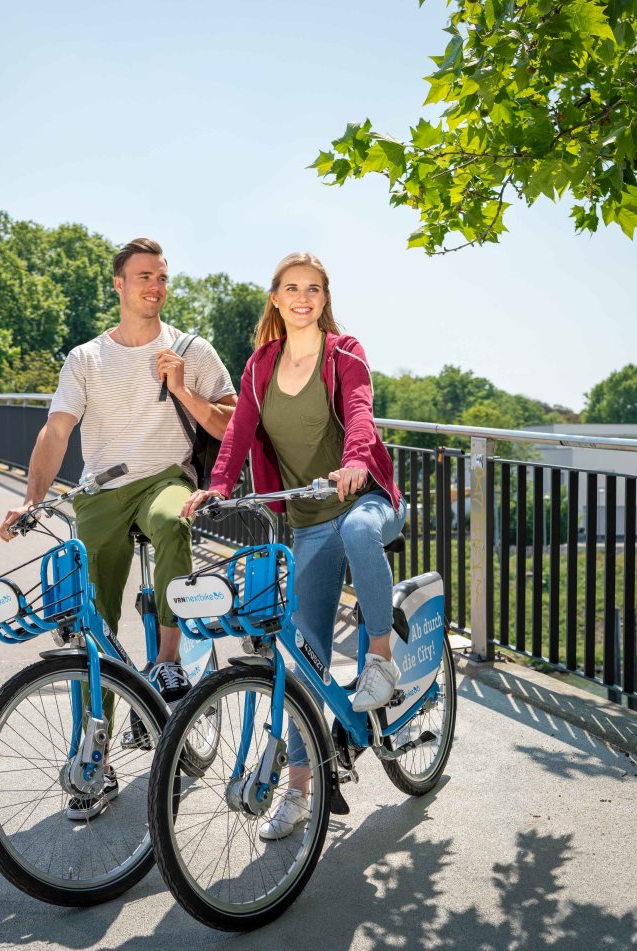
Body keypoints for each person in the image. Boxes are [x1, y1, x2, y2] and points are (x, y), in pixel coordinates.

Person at [0, 237, 236, 817]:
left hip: (164, 479)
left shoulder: (190, 348)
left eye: (161, 277)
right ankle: (94, 757)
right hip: (101, 491)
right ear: (119, 285)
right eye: (143, 277)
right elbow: (56, 432)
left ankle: (169, 661)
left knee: (171, 521)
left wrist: (181, 386)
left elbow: (233, 423)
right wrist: (31, 500)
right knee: (94, 627)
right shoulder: (86, 358)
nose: (154, 287)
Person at [181, 251, 406, 840]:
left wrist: (356, 462)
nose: (303, 298)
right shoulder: (260, 366)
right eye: (291, 289)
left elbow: (360, 414)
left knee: (359, 532)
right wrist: (219, 488)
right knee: (302, 661)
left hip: (363, 499)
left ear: (324, 298)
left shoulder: (345, 353)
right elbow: (237, 434)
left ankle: (378, 657)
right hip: (305, 517)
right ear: (276, 299)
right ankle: (301, 791)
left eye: (313, 289)